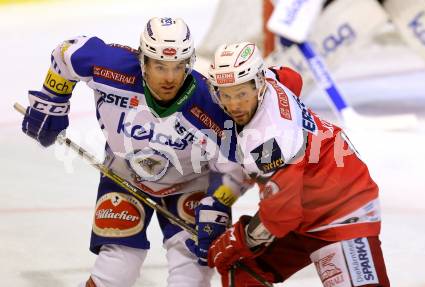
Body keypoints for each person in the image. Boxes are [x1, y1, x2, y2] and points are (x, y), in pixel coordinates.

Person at [20, 17, 250, 287]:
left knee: (191, 275)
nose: (169, 78)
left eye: (178, 67)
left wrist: (217, 204)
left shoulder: (211, 103)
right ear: (143, 59)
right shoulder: (112, 67)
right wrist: (51, 101)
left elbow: (238, 165)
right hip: (125, 175)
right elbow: (66, 52)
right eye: (159, 66)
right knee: (117, 269)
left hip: (191, 185)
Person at [206, 42, 390, 287]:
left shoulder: (269, 140)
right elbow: (292, 78)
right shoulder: (271, 80)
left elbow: (282, 216)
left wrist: (241, 238)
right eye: (226, 95)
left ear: (258, 84)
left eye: (241, 94)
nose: (234, 105)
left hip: (343, 212)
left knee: (241, 253)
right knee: (242, 270)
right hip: (306, 208)